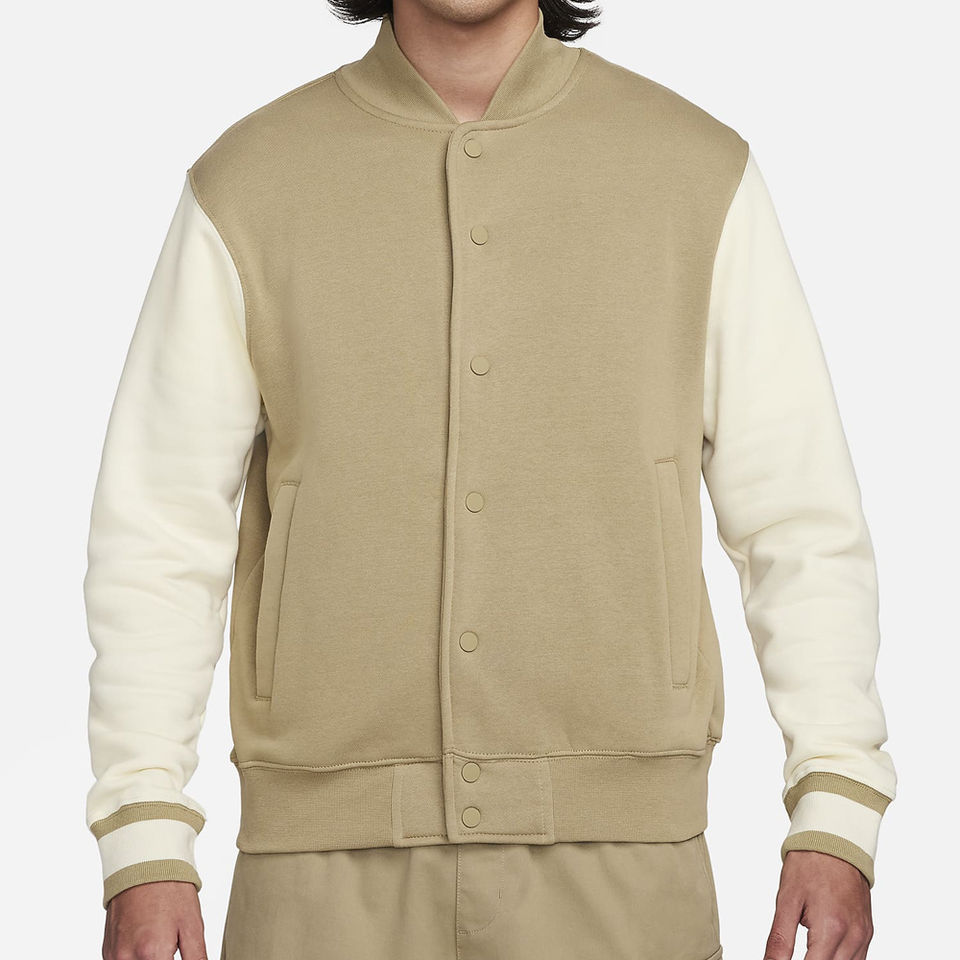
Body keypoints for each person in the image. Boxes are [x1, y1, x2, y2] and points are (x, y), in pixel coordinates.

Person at [82, 1, 897, 958]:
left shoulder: (695, 172)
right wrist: (145, 832)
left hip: (626, 867)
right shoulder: (250, 182)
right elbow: (160, 530)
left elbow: (797, 518)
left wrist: (837, 803)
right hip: (320, 873)